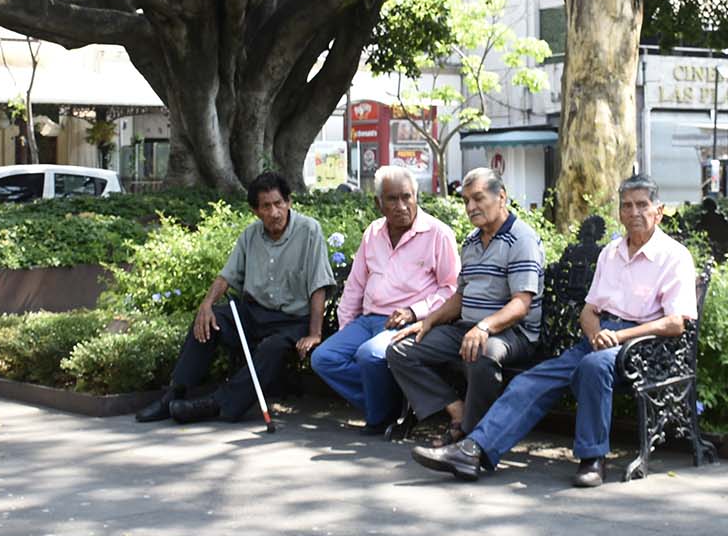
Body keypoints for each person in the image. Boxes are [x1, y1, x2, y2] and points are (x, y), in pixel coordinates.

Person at [412, 174, 696, 488]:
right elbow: (589, 310)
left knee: (593, 366)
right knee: (532, 379)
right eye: (627, 206)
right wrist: (596, 333)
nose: (634, 212)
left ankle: (592, 459)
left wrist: (619, 337)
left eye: (642, 205)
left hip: (644, 344)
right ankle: (472, 450)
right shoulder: (611, 253)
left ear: (659, 210)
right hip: (601, 338)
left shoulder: (674, 256)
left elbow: (675, 323)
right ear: (619, 213)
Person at [134, 172, 335, 426]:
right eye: (266, 206)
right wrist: (206, 305)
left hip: (291, 320)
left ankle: (216, 404)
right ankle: (174, 393)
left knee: (271, 350)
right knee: (210, 320)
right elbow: (226, 277)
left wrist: (315, 334)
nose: (274, 212)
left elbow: (319, 285)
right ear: (255, 211)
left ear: (289, 202)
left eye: (278, 203)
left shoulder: (309, 231)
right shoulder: (250, 235)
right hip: (253, 312)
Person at [387, 168, 543, 441]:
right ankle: (458, 413)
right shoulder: (471, 241)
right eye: (466, 201)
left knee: (480, 352)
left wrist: (483, 327)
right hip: (467, 327)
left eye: (479, 198)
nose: (471, 207)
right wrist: (429, 320)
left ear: (501, 197)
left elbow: (521, 305)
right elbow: (461, 296)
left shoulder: (522, 239)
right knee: (400, 350)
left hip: (512, 333)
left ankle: (471, 438)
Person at [310, 167, 460, 433]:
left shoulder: (438, 233)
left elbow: (451, 289)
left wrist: (414, 311)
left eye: (407, 197)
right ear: (378, 203)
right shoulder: (373, 232)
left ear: (417, 197)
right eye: (392, 199)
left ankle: (380, 419)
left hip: (411, 323)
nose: (401, 206)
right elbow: (355, 285)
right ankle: (392, 403)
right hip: (368, 319)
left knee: (369, 355)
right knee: (324, 358)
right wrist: (346, 328)